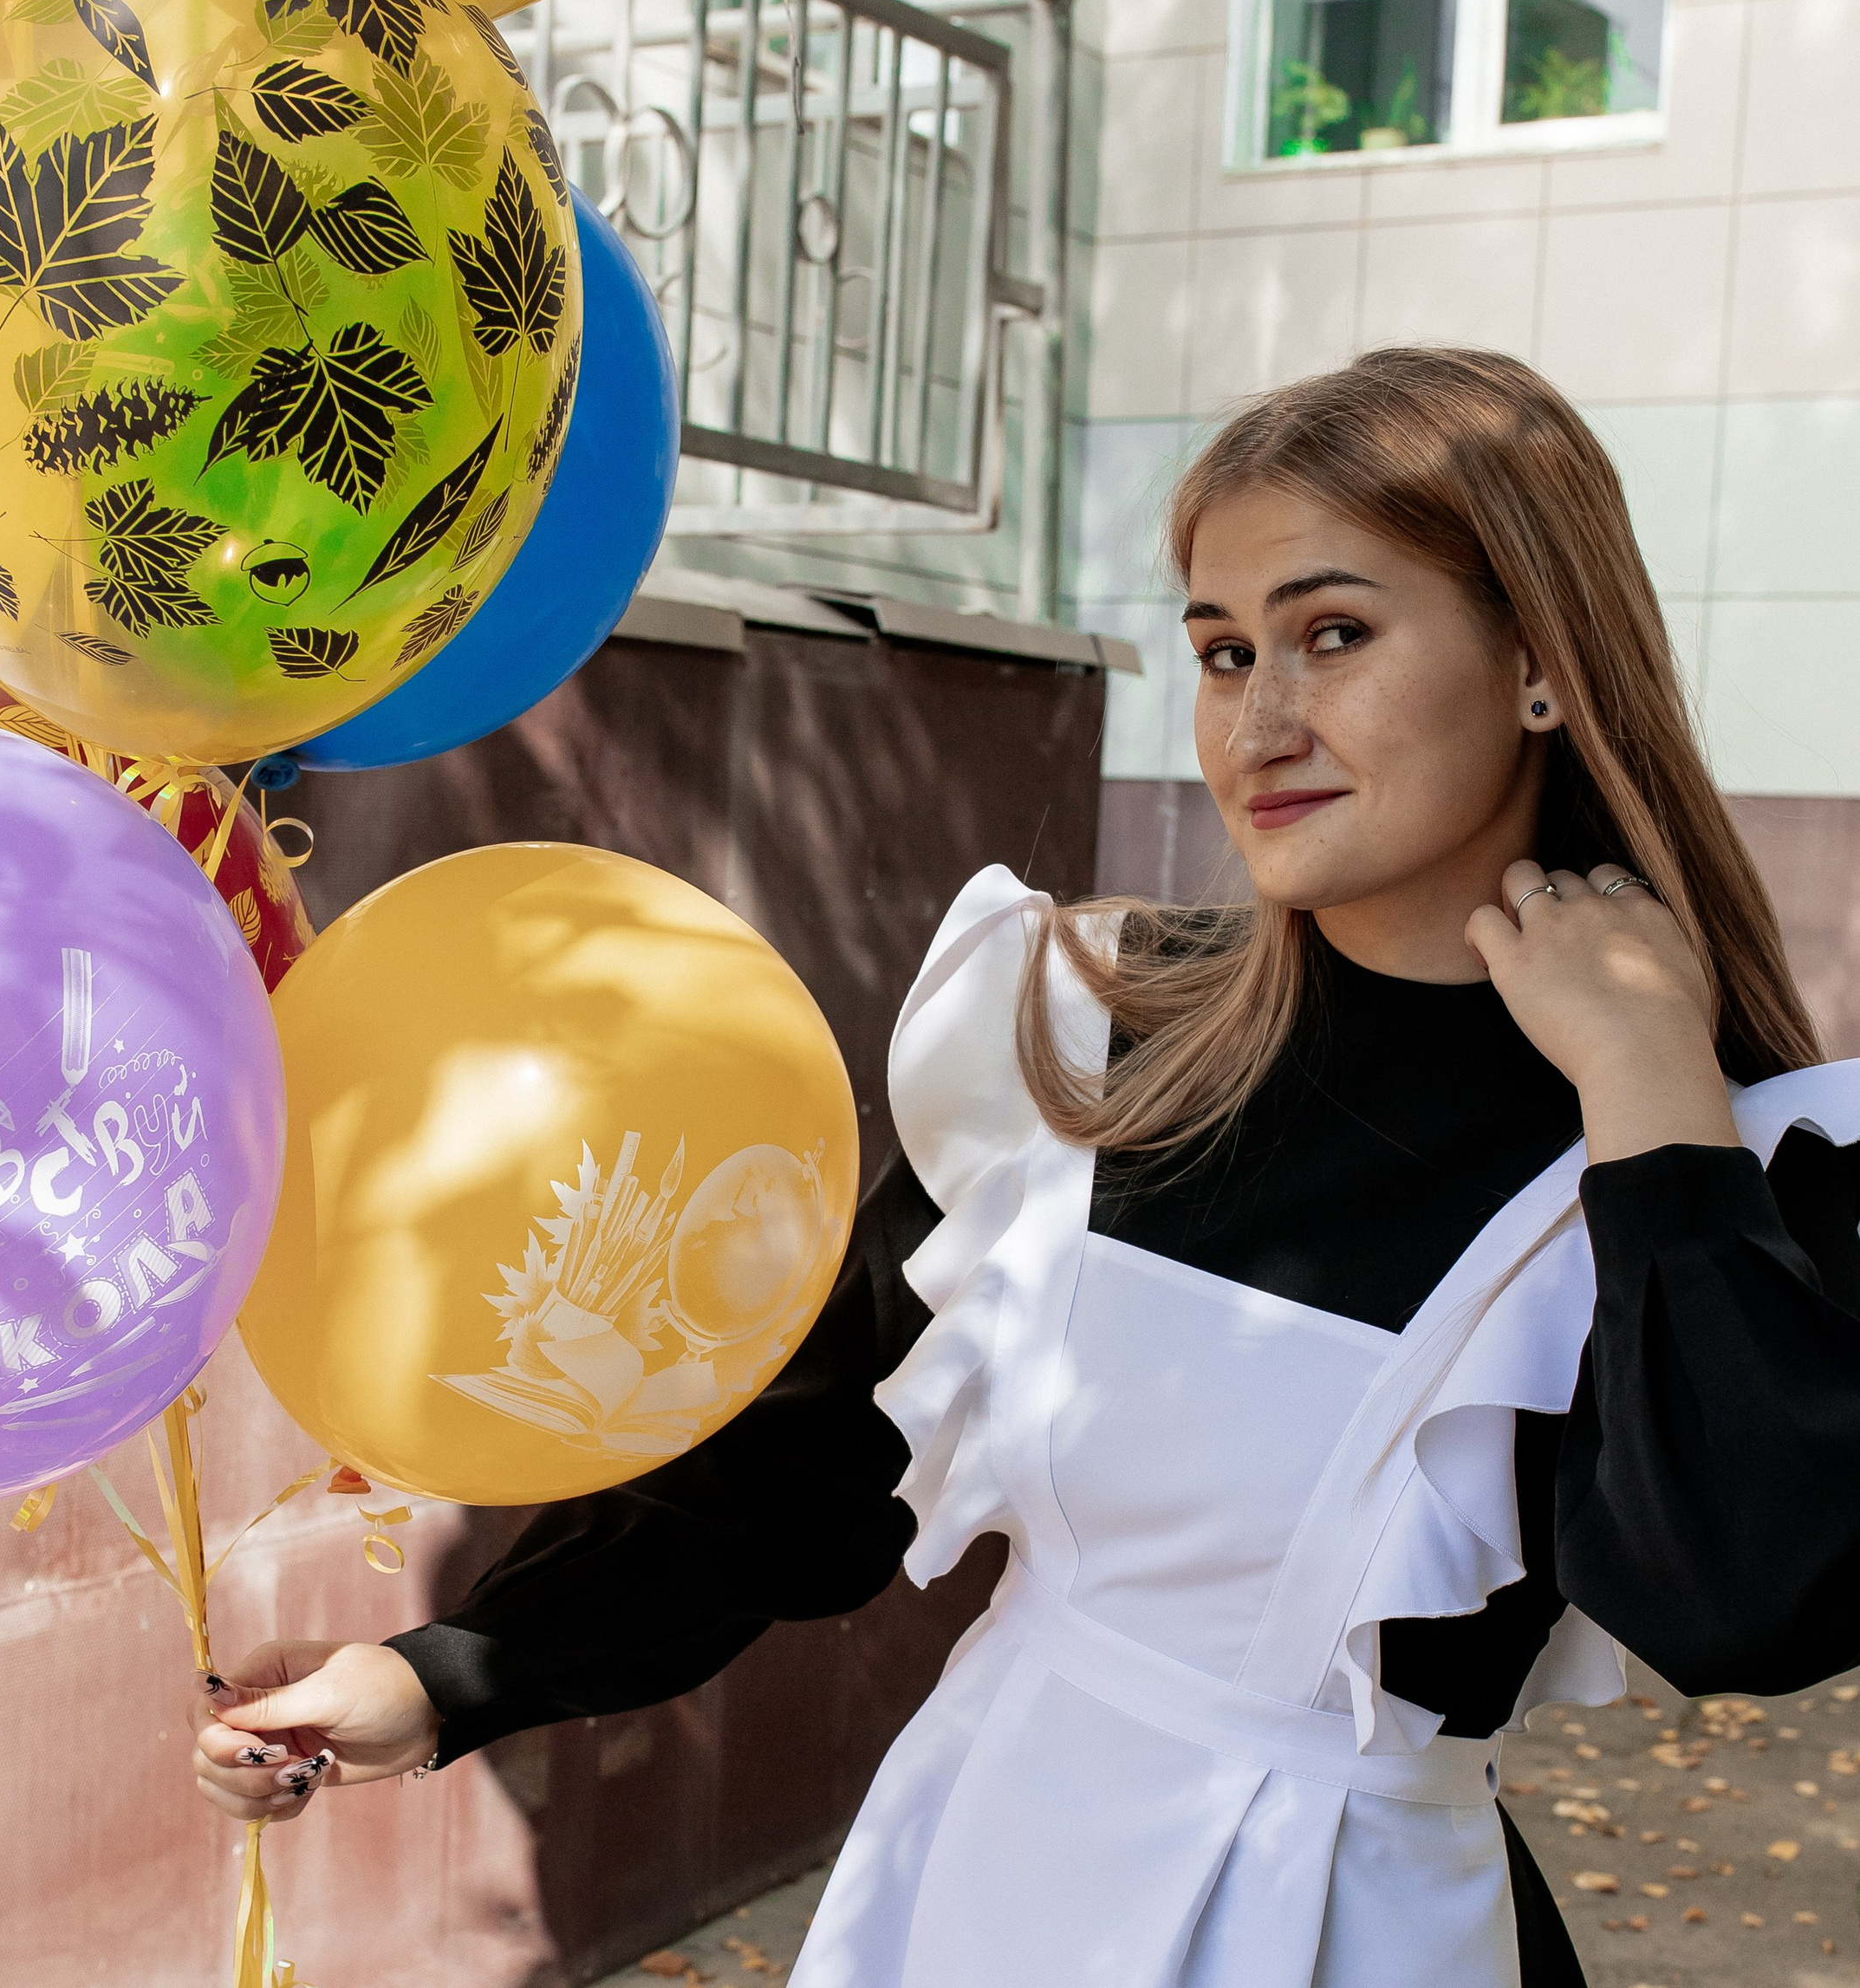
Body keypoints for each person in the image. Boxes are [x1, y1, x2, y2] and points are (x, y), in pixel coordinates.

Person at [187, 347, 1860, 1985]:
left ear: (1539, 665)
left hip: (1348, 1920)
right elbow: (804, 1467)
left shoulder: (1704, 1146)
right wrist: (439, 1679)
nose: (1262, 720)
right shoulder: (1093, 1022)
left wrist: (1648, 1090)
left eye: (1332, 635)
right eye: (1219, 652)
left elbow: (1739, 1609)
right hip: (982, 1861)